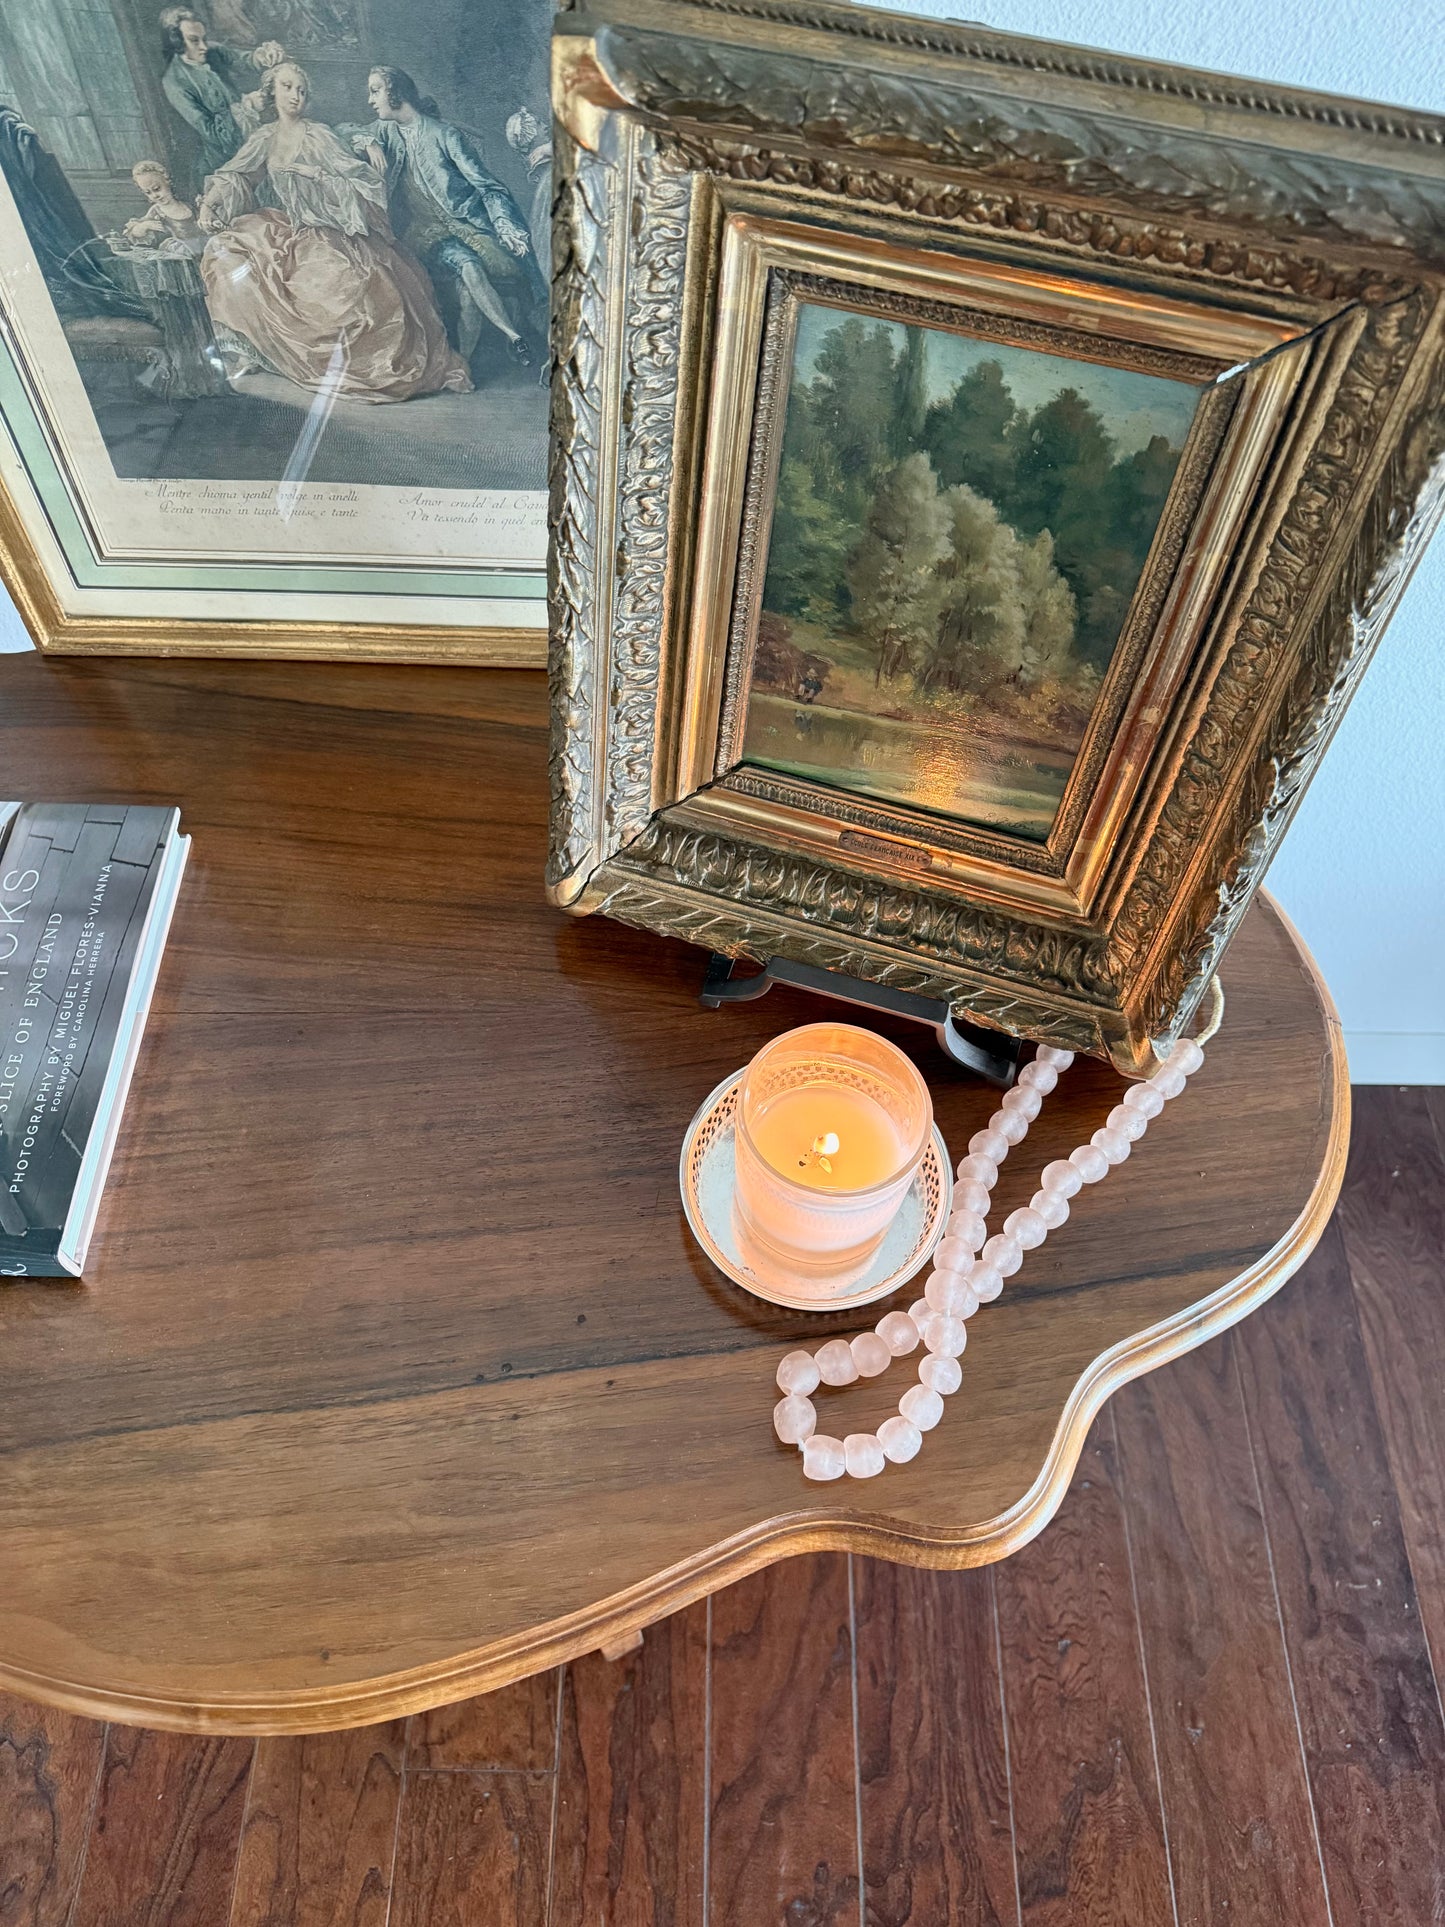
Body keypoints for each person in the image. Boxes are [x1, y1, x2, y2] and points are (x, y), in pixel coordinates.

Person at [196, 61, 471, 402]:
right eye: (287, 87)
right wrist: (211, 205)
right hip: (295, 233)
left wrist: (315, 174)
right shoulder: (264, 138)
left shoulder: (320, 134)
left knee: (350, 294)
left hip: (336, 235)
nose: (295, 95)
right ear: (271, 92)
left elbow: (360, 181)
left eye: (301, 90)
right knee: (227, 252)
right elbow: (238, 177)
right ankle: (260, 351)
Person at [359, 66, 545, 370]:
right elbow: (345, 131)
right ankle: (513, 336)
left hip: (465, 226)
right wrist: (365, 142)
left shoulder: (444, 135)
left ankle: (467, 364)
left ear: (396, 92)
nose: (370, 100)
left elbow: (488, 186)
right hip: (424, 233)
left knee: (468, 290)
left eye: (375, 90)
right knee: (467, 264)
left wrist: (503, 223)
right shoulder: (384, 131)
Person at [159, 7, 284, 184]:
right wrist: (247, 106)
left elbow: (242, 60)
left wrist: (262, 56)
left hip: (252, 140)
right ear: (177, 42)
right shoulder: (174, 82)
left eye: (204, 39)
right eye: (194, 40)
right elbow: (211, 132)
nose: (203, 46)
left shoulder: (213, 51)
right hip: (223, 162)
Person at [504, 106, 551, 282]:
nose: (546, 126)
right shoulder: (542, 160)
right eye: (539, 124)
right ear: (529, 134)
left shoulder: (546, 153)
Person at [120, 161, 204, 251]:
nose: (155, 195)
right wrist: (144, 226)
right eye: (148, 192)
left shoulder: (187, 206)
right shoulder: (156, 211)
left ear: (167, 182)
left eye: (157, 189)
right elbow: (135, 232)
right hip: (181, 254)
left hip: (201, 247)